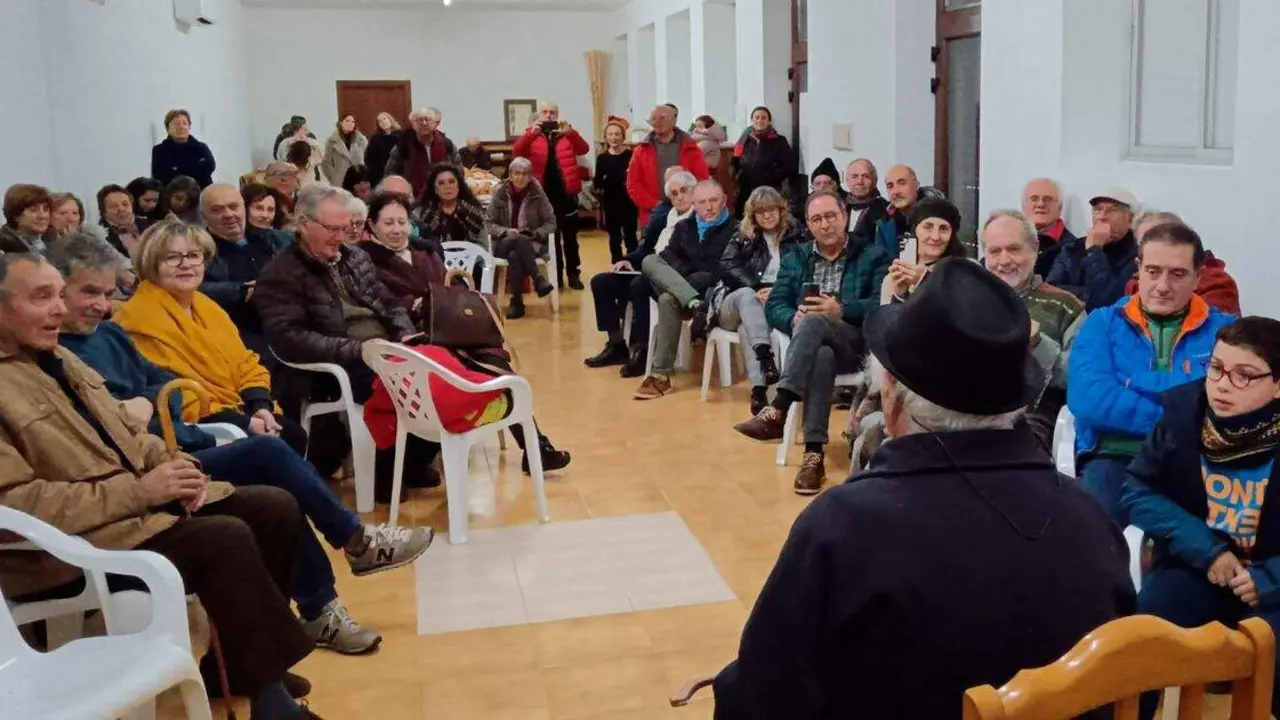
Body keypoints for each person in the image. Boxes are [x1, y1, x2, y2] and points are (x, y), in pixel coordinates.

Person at [712, 258, 1135, 719]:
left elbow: (763, 701)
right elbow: (1133, 690)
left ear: (890, 397)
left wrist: (729, 681)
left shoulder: (843, 528)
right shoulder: (1088, 517)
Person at [49, 233, 432, 656]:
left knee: (279, 479)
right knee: (268, 454)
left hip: (184, 434)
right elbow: (167, 402)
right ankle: (352, 549)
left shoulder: (121, 331)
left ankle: (324, 601)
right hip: (169, 451)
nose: (103, 304)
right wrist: (183, 410)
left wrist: (255, 401)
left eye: (193, 255)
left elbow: (177, 384)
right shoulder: (123, 325)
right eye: (173, 257)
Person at [0, 251, 317, 719]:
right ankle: (270, 696)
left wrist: (177, 467)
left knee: (273, 508)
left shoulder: (59, 357)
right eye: (41, 297)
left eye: (59, 295)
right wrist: (141, 492)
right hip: (68, 547)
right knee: (223, 538)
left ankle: (244, 662)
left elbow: (127, 434)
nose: (59, 310)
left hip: (133, 513)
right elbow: (17, 504)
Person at [1122, 316, 1280, 720]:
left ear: (1277, 384)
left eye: (1245, 375)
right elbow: (1138, 491)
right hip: (1198, 565)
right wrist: (1206, 550)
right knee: (1139, 641)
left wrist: (1270, 577)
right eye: (1217, 368)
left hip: (1271, 579)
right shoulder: (1182, 414)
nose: (1223, 384)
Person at [359, 192, 571, 473]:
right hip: (412, 339)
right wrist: (416, 304)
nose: (397, 229)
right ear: (372, 225)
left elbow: (447, 288)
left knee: (495, 360)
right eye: (388, 223)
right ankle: (532, 446)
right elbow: (381, 303)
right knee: (486, 365)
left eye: (402, 221)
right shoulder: (367, 261)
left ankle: (535, 446)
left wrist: (447, 300)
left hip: (447, 329)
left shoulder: (425, 251)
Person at [252, 186, 428, 501]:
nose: (341, 236)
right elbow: (289, 339)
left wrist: (404, 333)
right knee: (399, 383)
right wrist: (357, 350)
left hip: (383, 348)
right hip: (336, 366)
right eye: (333, 229)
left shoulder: (355, 256)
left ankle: (411, 460)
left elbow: (387, 303)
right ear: (303, 224)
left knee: (443, 369)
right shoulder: (281, 273)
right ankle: (386, 472)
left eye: (346, 228)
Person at [1068, 222, 1237, 523]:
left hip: (1198, 461)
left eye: (1178, 274)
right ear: (1138, 269)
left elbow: (1232, 401)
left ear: (1198, 277)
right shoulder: (1103, 323)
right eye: (1153, 271)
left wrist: (1132, 385)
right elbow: (1090, 400)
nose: (1162, 285)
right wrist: (1180, 411)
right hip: (1115, 456)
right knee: (1090, 535)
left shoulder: (1225, 332)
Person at [734, 190, 891, 494]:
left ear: (844, 218)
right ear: (808, 225)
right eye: (817, 219)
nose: (825, 224)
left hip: (856, 343)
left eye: (831, 216)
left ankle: (778, 407)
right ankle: (813, 455)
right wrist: (794, 317)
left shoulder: (873, 255)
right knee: (820, 354)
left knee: (818, 321)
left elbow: (880, 305)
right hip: (812, 347)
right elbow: (776, 304)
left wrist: (841, 310)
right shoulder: (797, 258)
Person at [112, 219, 309, 459]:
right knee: (273, 448)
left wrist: (260, 407)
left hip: (237, 405)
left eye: (194, 255)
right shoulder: (137, 316)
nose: (186, 265)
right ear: (151, 264)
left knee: (293, 434)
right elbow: (174, 391)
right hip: (192, 420)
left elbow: (245, 362)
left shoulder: (207, 306)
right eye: (172, 258)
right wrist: (246, 422)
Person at [981, 209, 1085, 453]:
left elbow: (1078, 378)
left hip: (1030, 416)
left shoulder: (1067, 306)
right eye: (995, 252)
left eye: (1014, 249)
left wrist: (1039, 344)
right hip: (965, 409)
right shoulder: (967, 299)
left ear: (1035, 248)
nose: (1004, 260)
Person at [633, 180, 739, 400]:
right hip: (691, 296)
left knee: (667, 299)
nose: (708, 207)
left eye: (714, 200)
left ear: (724, 201)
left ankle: (660, 376)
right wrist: (690, 279)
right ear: (694, 203)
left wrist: (685, 277)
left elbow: (723, 270)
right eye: (702, 202)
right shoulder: (684, 227)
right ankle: (690, 299)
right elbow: (666, 257)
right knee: (650, 261)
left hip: (713, 297)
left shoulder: (736, 230)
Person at [585, 168, 695, 375]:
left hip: (671, 279)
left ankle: (643, 348)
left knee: (639, 285)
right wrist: (628, 261)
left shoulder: (697, 221)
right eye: (674, 193)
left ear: (693, 192)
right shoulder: (665, 217)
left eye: (684, 191)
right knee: (601, 282)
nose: (680, 197)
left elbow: (689, 259)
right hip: (646, 269)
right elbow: (645, 248)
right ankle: (616, 343)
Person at [709, 186, 804, 414]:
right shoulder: (743, 235)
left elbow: (802, 270)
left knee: (746, 328)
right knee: (747, 297)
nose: (767, 216)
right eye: (761, 212)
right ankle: (767, 359)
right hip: (736, 301)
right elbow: (727, 265)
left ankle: (758, 390)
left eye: (771, 210)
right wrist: (756, 286)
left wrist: (777, 290)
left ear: (781, 211)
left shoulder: (797, 235)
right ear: (753, 216)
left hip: (773, 302)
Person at [197, 184, 288, 359]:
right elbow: (194, 289)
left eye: (233, 207)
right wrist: (240, 291)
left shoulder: (275, 239)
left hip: (288, 322)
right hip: (239, 332)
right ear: (204, 216)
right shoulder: (197, 249)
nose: (229, 215)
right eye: (217, 210)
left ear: (243, 208)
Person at [512, 101, 591, 290]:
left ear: (558, 115)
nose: (549, 116)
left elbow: (584, 149)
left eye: (552, 112)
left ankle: (573, 274)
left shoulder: (567, 135)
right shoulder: (531, 135)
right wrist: (531, 135)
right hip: (542, 195)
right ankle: (556, 275)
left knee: (570, 237)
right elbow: (517, 152)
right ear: (539, 115)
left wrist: (571, 133)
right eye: (545, 112)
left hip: (566, 194)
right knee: (549, 237)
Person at [1124, 210, 1240, 315]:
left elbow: (1219, 332)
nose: (1162, 287)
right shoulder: (1132, 286)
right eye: (1143, 242)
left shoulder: (1216, 282)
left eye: (1178, 275)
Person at [484, 158, 557, 319]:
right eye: (516, 173)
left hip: (531, 244)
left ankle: (517, 302)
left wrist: (536, 233)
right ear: (510, 175)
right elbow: (488, 224)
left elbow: (551, 222)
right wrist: (506, 231)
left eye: (525, 174)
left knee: (515, 255)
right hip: (503, 242)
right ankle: (538, 278)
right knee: (517, 240)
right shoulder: (500, 193)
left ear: (530, 176)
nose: (520, 177)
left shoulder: (538, 194)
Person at [1047, 187, 1140, 311]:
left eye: (1112, 210)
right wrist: (1088, 296)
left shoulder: (1138, 254)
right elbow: (1050, 290)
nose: (1102, 216)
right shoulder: (1073, 247)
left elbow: (1110, 300)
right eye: (1098, 210)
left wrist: (1094, 252)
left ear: (1130, 218)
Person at [627, 104, 710, 227]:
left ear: (674, 120)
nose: (657, 122)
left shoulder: (691, 148)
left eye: (662, 118)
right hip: (653, 212)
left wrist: (689, 202)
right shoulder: (641, 150)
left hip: (687, 211)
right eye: (653, 118)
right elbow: (633, 184)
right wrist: (654, 204)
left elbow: (702, 179)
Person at [879, 197, 968, 304]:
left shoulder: (967, 270)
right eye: (928, 227)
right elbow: (888, 319)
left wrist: (924, 281)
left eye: (944, 228)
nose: (936, 236)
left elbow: (962, 313)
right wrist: (900, 296)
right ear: (914, 231)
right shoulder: (895, 278)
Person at [731, 106, 796, 218]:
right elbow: (735, 159)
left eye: (763, 118)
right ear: (752, 120)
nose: (760, 120)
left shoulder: (779, 140)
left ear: (768, 121)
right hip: (745, 190)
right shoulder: (745, 139)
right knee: (744, 219)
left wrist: (771, 177)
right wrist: (737, 175)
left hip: (769, 190)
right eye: (757, 117)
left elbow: (789, 165)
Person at [386, 107, 460, 198]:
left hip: (442, 198)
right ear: (413, 124)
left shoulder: (447, 145)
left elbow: (458, 172)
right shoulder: (402, 147)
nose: (424, 123)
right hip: (411, 199)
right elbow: (390, 175)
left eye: (427, 120)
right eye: (419, 120)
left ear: (435, 123)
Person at [593, 117, 638, 264]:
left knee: (630, 236)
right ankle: (617, 264)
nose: (614, 137)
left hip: (629, 202)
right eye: (610, 134)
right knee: (614, 237)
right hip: (611, 203)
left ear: (623, 136)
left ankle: (634, 263)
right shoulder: (602, 158)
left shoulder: (631, 156)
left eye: (617, 134)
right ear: (606, 137)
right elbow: (597, 180)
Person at [415, 164, 485, 245]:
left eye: (451, 182)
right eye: (441, 183)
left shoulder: (474, 210)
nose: (447, 186)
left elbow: (484, 245)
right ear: (435, 190)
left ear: (458, 186)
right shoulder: (421, 214)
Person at [1022, 177, 1076, 279]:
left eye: (1048, 199)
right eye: (1034, 199)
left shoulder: (1072, 248)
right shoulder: (1011, 238)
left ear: (1060, 208)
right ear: (1023, 206)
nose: (1041, 204)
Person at [151, 109, 215, 188]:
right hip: (172, 195)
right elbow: (162, 176)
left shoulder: (201, 147)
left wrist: (177, 169)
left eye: (185, 123)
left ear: (189, 126)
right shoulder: (159, 150)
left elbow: (209, 167)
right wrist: (196, 167)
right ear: (168, 128)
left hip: (202, 192)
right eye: (176, 124)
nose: (181, 127)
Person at [872, 164, 925, 257]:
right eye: (890, 186)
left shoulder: (938, 218)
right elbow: (880, 262)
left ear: (916, 185)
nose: (896, 191)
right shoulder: (883, 223)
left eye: (902, 183)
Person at [97, 184, 150, 259]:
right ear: (103, 212)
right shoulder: (99, 238)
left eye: (125, 204)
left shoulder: (152, 225)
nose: (121, 209)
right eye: (113, 206)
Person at [845, 158, 889, 242]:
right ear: (847, 180)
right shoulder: (839, 207)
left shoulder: (885, 210)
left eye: (866, 176)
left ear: (874, 181)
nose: (860, 181)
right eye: (854, 176)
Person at [0, 183, 52, 254]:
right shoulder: (6, 246)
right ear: (16, 215)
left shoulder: (50, 239)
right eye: (33, 210)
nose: (42, 216)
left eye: (45, 209)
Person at [321, 115, 367, 187]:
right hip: (340, 180)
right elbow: (326, 163)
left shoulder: (361, 140)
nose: (350, 123)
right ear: (340, 123)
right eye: (347, 121)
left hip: (359, 179)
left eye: (352, 122)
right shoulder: (332, 141)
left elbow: (367, 158)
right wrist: (333, 178)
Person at [364, 112, 401, 188]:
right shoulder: (375, 139)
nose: (383, 122)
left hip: (399, 174)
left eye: (384, 119)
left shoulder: (401, 135)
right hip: (381, 177)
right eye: (380, 121)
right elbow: (369, 159)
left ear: (390, 119)